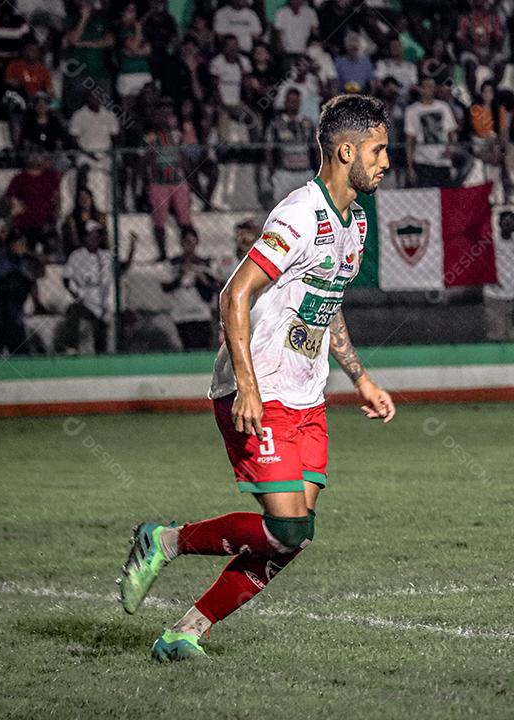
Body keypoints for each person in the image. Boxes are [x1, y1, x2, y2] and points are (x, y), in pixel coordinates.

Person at [117, 94, 396, 661]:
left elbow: (328, 302)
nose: (386, 161)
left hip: (306, 394)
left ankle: (186, 631)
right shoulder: (299, 212)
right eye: (379, 149)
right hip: (259, 389)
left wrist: (360, 376)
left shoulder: (356, 223)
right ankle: (164, 541)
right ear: (346, 151)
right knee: (287, 529)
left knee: (292, 538)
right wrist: (247, 384)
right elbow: (234, 293)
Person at [0, 227, 41, 357]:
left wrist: (30, 254)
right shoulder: (2, 260)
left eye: (22, 244)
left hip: (15, 320)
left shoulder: (26, 264)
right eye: (16, 243)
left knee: (21, 358)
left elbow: (37, 276)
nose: (19, 247)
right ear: (10, 245)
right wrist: (1, 238)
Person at [144, 102, 192, 261]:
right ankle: (162, 253)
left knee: (184, 220)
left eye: (169, 115)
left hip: (178, 181)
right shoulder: (151, 137)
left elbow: (183, 156)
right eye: (162, 115)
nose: (166, 118)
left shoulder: (177, 135)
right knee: (159, 221)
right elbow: (147, 159)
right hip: (159, 182)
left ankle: (188, 251)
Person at [161, 225, 221, 350]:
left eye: (192, 242)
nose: (190, 246)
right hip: (180, 312)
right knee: (185, 347)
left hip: (201, 312)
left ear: (197, 242)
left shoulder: (206, 263)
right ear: (181, 243)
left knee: (203, 346)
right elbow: (166, 286)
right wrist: (180, 275)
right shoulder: (172, 264)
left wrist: (202, 279)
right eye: (186, 242)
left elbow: (216, 286)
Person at [57, 221, 113, 354]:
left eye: (97, 235)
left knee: (105, 324)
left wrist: (133, 247)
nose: (95, 238)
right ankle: (71, 347)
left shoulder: (106, 256)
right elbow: (66, 278)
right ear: (85, 237)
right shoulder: (77, 256)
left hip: (104, 301)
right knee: (74, 310)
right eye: (91, 235)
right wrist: (75, 294)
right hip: (85, 300)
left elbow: (122, 267)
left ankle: (103, 354)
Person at [263, 88, 316, 207]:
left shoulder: (308, 123)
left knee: (306, 209)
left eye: (296, 101)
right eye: (291, 100)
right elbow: (269, 149)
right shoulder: (275, 124)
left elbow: (315, 148)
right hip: (284, 174)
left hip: (305, 173)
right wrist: (272, 171)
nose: (294, 103)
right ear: (285, 102)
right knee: (281, 210)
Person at [404, 77, 458, 187]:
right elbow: (410, 139)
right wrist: (410, 167)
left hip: (443, 160)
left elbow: (452, 133)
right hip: (422, 161)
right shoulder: (412, 110)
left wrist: (451, 150)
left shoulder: (443, 107)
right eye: (426, 86)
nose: (429, 89)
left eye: (431, 86)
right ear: (420, 89)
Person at [483, 210, 514, 342]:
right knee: (497, 333)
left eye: (511, 221)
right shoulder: (491, 241)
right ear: (499, 223)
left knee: (512, 333)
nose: (508, 224)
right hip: (494, 294)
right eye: (505, 221)